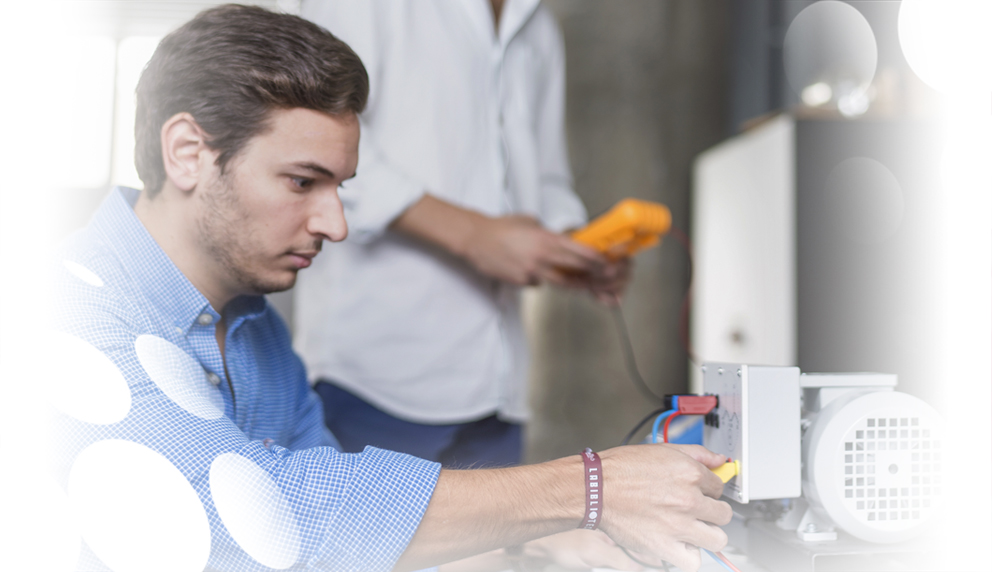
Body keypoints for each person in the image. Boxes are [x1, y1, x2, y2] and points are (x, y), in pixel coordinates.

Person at [44, 5, 730, 572]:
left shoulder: (256, 331)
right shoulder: (68, 316)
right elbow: (257, 525)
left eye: (340, 187)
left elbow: (346, 526)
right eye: (302, 182)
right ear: (189, 153)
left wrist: (534, 538)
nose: (337, 223)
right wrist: (587, 488)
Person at [294, 0, 631, 467]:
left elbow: (545, 176)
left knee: (498, 543)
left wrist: (575, 245)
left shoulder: (538, 25)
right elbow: (308, 139)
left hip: (500, 387)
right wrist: (474, 236)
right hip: (375, 376)